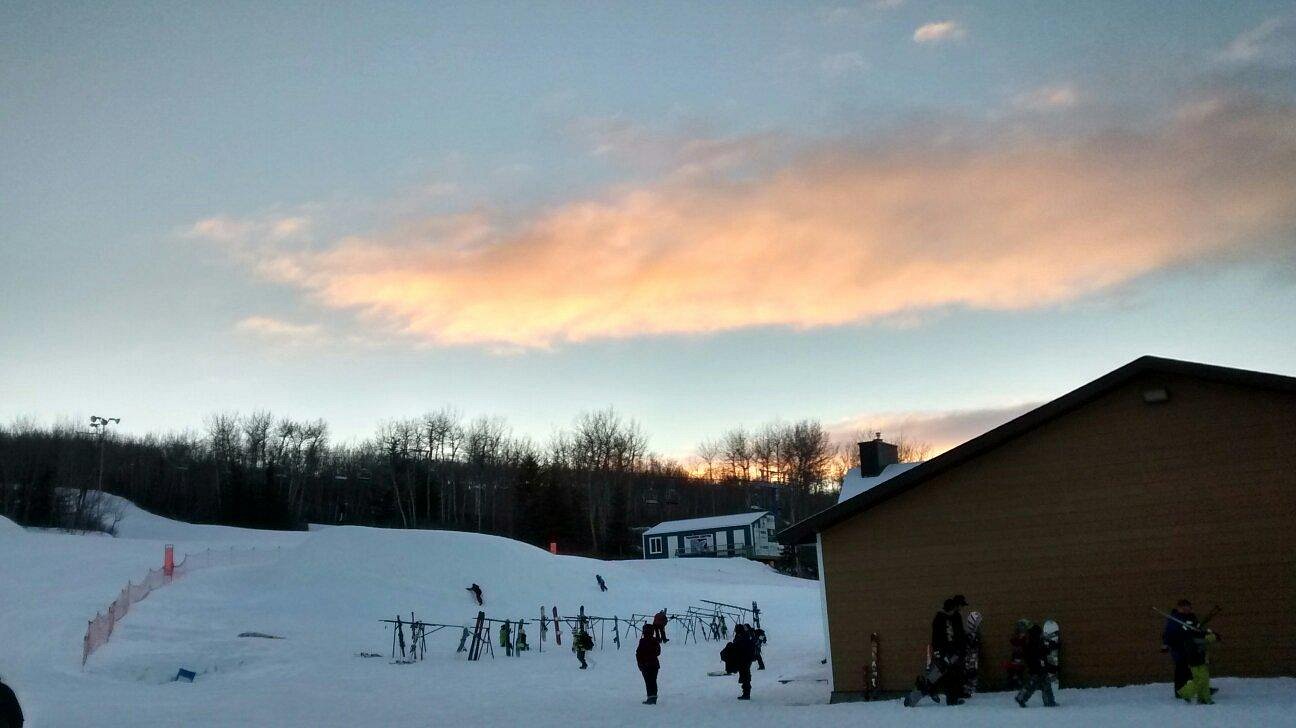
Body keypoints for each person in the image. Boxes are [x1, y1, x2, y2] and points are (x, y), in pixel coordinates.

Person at [1173, 614, 1220, 704]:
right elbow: (1202, 640)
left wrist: (1208, 634)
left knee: (1204, 679)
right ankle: (1185, 693)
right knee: (1201, 680)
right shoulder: (1189, 635)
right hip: (1195, 660)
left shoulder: (1195, 633)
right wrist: (1212, 636)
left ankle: (1204, 698)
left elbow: (1203, 636)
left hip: (1200, 659)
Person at [930, 597, 967, 706]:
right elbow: (936, 636)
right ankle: (932, 690)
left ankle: (953, 698)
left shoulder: (956, 617)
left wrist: (961, 648)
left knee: (954, 673)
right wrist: (937, 650)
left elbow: (960, 634)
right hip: (943, 650)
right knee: (941, 671)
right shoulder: (940, 618)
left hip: (953, 650)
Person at [1015, 624, 1058, 707]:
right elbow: (1041, 652)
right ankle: (1049, 701)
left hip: (1035, 667)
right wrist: (1050, 647)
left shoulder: (1031, 641)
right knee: (1044, 684)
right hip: (1037, 667)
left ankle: (1021, 697)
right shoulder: (1035, 642)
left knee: (1033, 684)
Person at [1162, 599, 1196, 698]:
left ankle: (1196, 688)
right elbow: (1168, 633)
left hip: (1191, 647)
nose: (1186, 609)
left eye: (1188, 607)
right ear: (1179, 608)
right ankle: (1179, 691)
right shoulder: (1174, 619)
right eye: (1183, 607)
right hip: (1179, 647)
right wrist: (1165, 644)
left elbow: (1197, 628)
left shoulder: (1192, 617)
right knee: (1181, 669)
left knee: (1194, 669)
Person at [731, 624, 758, 700]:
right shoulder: (744, 635)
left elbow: (741, 648)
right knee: (745, 675)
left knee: (745, 675)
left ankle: (746, 693)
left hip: (744, 659)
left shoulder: (743, 637)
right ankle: (746, 692)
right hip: (744, 659)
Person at [636, 624, 661, 705]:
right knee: (653, 681)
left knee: (648, 681)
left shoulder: (642, 641)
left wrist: (640, 663)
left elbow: (638, 653)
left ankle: (650, 698)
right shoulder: (655, 640)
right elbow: (658, 652)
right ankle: (653, 698)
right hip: (654, 664)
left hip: (645, 664)